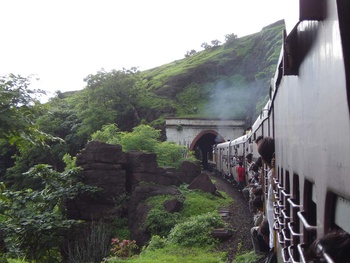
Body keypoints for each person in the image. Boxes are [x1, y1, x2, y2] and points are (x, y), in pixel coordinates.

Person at [257, 136, 275, 250]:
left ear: (263, 158)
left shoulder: (272, 176)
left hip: (275, 235)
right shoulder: (271, 174)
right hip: (273, 231)